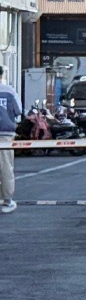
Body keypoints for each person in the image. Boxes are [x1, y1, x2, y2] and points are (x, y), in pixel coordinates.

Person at [0, 69, 20, 214]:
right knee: (6, 167)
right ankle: (7, 200)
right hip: (5, 134)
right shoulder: (9, 91)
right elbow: (18, 111)